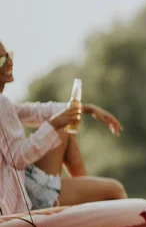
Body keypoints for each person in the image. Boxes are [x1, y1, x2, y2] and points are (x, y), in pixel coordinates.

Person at [0, 41, 127, 215]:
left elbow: (37, 111)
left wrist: (87, 109)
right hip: (21, 199)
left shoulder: (5, 104)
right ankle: (91, 206)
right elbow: (18, 158)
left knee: (63, 131)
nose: (8, 63)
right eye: (1, 61)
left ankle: (88, 201)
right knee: (115, 190)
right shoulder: (1, 104)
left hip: (24, 182)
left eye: (8, 56)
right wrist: (54, 124)